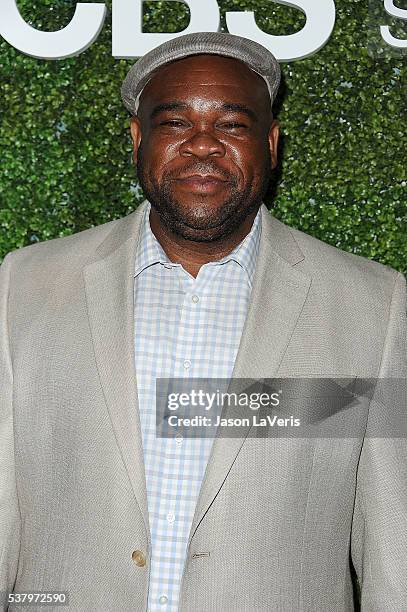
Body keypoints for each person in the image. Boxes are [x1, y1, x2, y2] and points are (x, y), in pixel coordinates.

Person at [0, 31, 406, 612]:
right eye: (174, 123)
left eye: (233, 125)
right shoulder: (25, 286)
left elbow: (397, 546)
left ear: (271, 142)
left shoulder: (372, 304)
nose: (203, 145)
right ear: (138, 139)